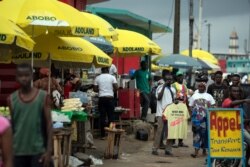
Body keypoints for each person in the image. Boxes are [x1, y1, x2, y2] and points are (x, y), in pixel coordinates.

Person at [7, 63, 52, 167]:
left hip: (37, 150)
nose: (24, 78)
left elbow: (49, 124)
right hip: (18, 151)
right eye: (21, 75)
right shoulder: (11, 99)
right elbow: (12, 127)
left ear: (32, 76)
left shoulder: (43, 97)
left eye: (27, 75)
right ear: (16, 77)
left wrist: (49, 151)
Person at [152, 71, 176, 156]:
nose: (169, 80)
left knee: (170, 132)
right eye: (167, 78)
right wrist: (164, 86)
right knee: (159, 131)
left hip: (170, 114)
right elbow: (158, 97)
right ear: (164, 78)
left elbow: (173, 100)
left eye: (170, 79)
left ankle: (168, 150)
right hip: (160, 113)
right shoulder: (159, 87)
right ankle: (155, 149)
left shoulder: (173, 89)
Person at [189, 80, 215, 158]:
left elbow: (213, 105)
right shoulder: (194, 96)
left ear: (205, 88)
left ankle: (204, 150)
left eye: (202, 86)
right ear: (197, 87)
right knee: (197, 134)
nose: (201, 88)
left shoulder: (209, 96)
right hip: (196, 119)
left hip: (206, 119)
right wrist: (192, 116)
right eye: (199, 86)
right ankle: (196, 152)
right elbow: (190, 106)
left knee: (205, 134)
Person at [94, 67, 118, 138]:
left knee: (102, 117)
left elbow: (95, 89)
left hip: (101, 99)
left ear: (101, 70)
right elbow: (116, 87)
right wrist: (111, 91)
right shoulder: (112, 77)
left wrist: (101, 90)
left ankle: (103, 135)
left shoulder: (97, 78)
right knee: (111, 116)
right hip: (110, 98)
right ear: (108, 70)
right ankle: (111, 134)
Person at [171, 71, 189, 147]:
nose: (181, 77)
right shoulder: (173, 85)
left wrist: (187, 108)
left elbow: (186, 97)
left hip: (183, 107)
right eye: (179, 76)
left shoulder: (185, 86)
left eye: (182, 76)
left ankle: (180, 142)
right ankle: (173, 142)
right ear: (176, 77)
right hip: (175, 107)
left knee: (182, 125)